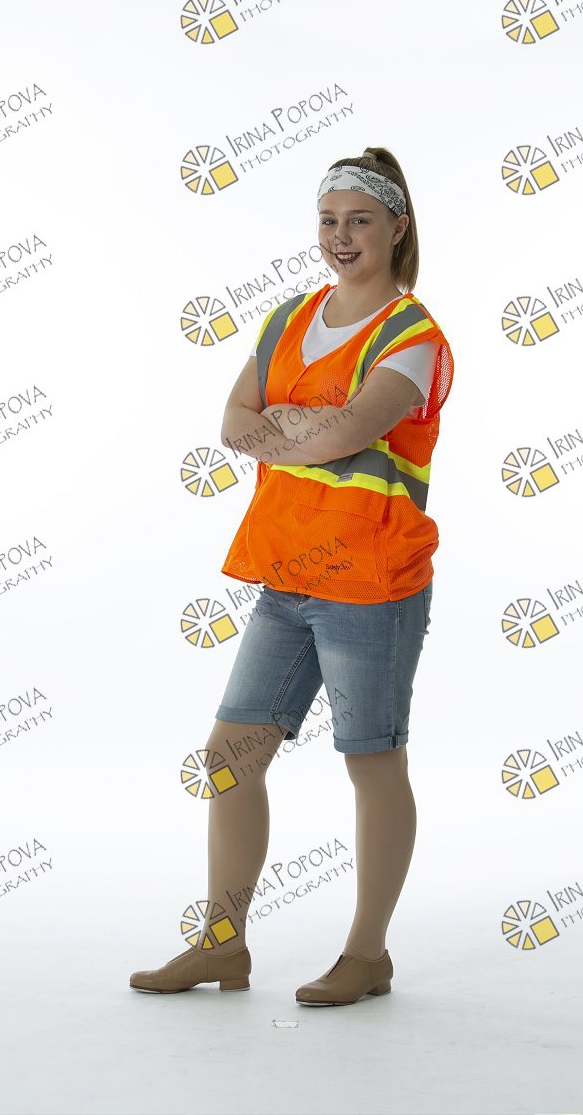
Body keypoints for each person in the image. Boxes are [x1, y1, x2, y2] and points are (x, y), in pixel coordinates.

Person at [129, 147, 454, 1006]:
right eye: (328, 220)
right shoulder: (286, 319)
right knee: (230, 758)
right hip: (286, 577)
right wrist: (302, 426)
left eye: (360, 220)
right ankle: (222, 947)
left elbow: (347, 433)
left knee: (372, 762)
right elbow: (234, 425)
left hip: (372, 583)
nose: (341, 237)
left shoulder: (411, 337)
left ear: (397, 227)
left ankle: (367, 956)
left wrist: (291, 424)